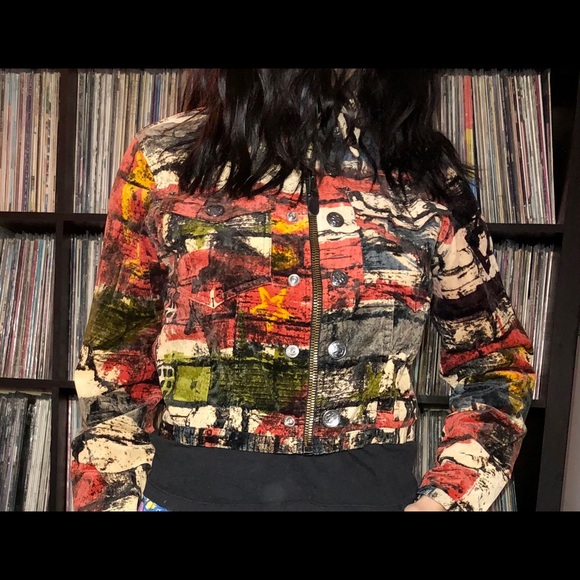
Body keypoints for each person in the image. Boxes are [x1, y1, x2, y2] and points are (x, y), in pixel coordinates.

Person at [70, 68, 536, 512]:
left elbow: (495, 362)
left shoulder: (423, 172)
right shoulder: (166, 158)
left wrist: (444, 498)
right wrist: (115, 499)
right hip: (182, 493)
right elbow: (115, 360)